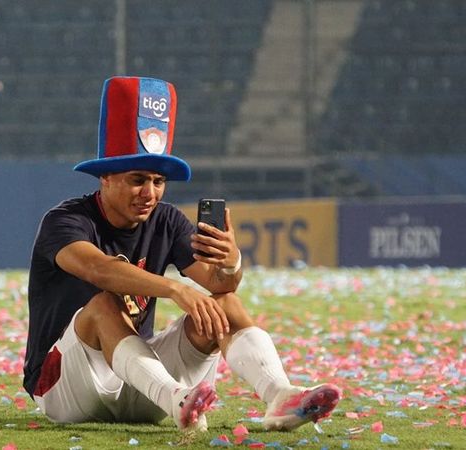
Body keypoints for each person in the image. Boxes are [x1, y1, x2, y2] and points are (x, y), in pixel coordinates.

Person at [23, 76, 340, 432]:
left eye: (158, 181)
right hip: (63, 386)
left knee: (226, 303)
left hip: (139, 379)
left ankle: (280, 397)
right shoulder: (65, 221)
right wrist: (177, 289)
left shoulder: (167, 220)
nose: (150, 192)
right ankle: (177, 398)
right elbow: (99, 270)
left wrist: (230, 259)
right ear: (106, 177)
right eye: (138, 179)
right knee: (102, 306)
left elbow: (220, 282)